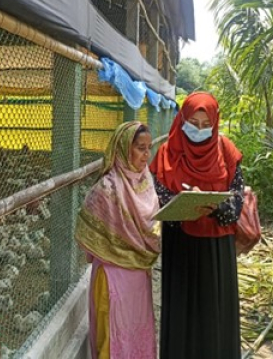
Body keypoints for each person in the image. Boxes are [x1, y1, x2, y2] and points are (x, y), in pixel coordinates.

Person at [150, 92, 244, 359]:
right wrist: (182, 205)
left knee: (215, 311)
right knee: (182, 312)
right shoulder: (167, 153)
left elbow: (237, 200)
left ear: (215, 123)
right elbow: (157, 194)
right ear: (182, 120)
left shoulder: (226, 151)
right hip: (180, 245)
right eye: (193, 122)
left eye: (206, 125)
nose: (199, 130)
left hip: (217, 247)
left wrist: (217, 209)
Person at [75, 121, 161, 359]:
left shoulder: (147, 183)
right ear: (123, 149)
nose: (146, 154)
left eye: (148, 147)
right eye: (140, 148)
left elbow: (153, 226)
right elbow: (87, 229)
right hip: (112, 278)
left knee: (136, 333)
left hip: (138, 277)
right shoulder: (106, 188)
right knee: (111, 337)